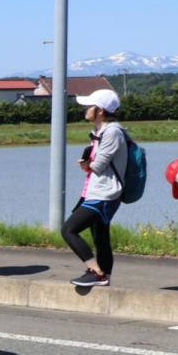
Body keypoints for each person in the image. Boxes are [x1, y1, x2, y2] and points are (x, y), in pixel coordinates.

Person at [61, 88, 127, 287]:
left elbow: (98, 165)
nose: (85, 109)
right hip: (96, 191)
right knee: (100, 236)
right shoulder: (101, 131)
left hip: (104, 194)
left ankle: (95, 271)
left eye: (89, 106)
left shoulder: (113, 131)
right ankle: (104, 275)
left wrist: (86, 163)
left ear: (99, 110)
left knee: (69, 230)